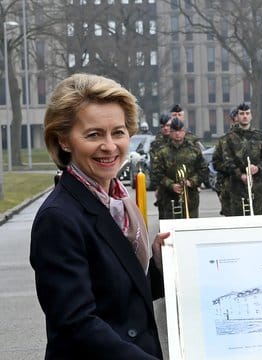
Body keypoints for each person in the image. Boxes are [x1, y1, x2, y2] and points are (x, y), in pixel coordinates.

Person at [30, 73, 170, 359]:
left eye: (118, 132)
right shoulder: (59, 217)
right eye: (93, 134)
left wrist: (157, 266)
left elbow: (120, 296)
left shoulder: (119, 202)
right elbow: (76, 325)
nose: (109, 146)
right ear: (64, 141)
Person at [220, 103, 262, 216]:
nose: (244, 116)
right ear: (237, 117)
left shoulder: (260, 135)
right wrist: (240, 175)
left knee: (257, 219)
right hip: (237, 186)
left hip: (256, 185)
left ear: (251, 116)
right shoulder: (229, 137)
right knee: (239, 220)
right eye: (241, 113)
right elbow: (227, 160)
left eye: (247, 113)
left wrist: (258, 167)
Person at [151, 117, 208, 219]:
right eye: (174, 131)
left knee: (190, 227)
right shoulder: (162, 151)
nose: (177, 134)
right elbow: (156, 172)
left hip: (190, 196)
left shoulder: (194, 150)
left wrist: (191, 182)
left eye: (180, 131)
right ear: (171, 132)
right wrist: (171, 185)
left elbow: (203, 169)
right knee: (169, 228)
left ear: (184, 132)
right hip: (168, 197)